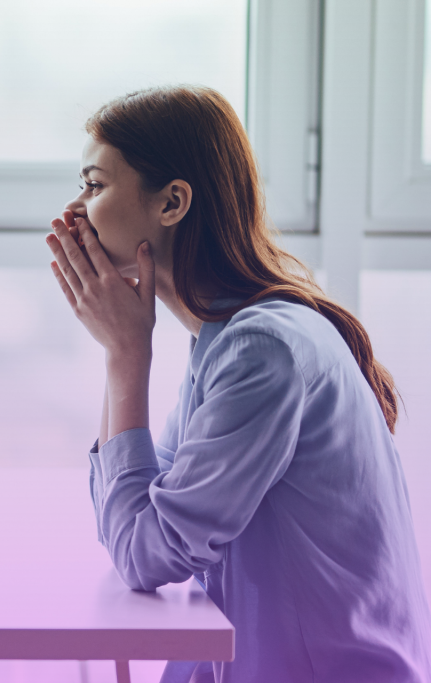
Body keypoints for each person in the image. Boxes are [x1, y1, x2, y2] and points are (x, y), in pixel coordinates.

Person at [45, 86, 431, 682]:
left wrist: (126, 355)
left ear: (172, 202)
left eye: (94, 186)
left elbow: (145, 552)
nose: (73, 212)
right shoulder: (226, 342)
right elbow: (140, 520)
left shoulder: (261, 351)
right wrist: (126, 351)